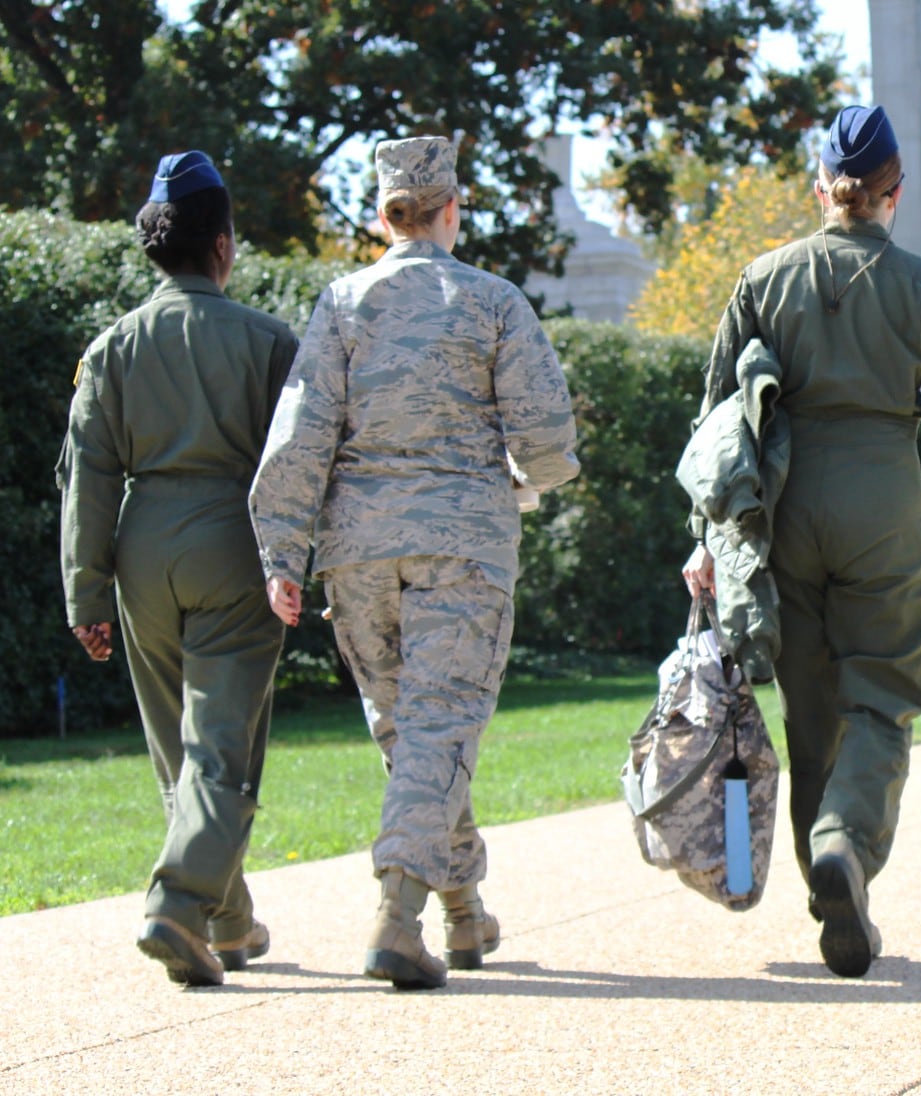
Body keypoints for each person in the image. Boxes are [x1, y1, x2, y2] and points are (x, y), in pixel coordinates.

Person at [681, 105, 921, 980]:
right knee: (884, 694)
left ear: (823, 189)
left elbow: (718, 425)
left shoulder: (761, 278)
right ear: (896, 193)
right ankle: (845, 848)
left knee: (811, 709)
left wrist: (707, 537)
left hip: (784, 508)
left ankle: (827, 887)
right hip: (884, 502)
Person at [249, 136, 582, 990]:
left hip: (356, 555)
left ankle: (464, 914)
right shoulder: (494, 302)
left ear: (382, 214)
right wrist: (525, 481)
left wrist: (283, 550)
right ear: (451, 211)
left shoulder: (340, 302)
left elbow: (300, 436)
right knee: (440, 724)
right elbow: (547, 439)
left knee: (418, 730)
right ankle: (397, 915)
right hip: (462, 546)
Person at [58, 151, 298, 987]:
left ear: (152, 250)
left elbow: (84, 472)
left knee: (180, 756)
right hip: (236, 541)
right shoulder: (270, 342)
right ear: (224, 247)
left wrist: (86, 592)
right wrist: (314, 569)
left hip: (140, 548)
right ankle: (177, 904)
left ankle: (228, 922)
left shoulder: (111, 347)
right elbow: (302, 465)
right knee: (221, 752)